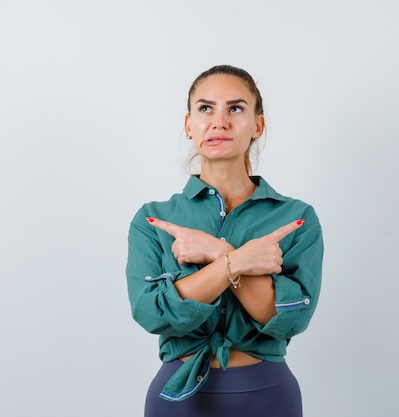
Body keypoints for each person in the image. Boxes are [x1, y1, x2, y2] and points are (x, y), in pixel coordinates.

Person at [126, 64, 324, 417]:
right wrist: (238, 261)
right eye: (205, 109)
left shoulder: (297, 218)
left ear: (258, 125)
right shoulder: (153, 219)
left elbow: (289, 319)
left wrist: (217, 252)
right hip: (178, 397)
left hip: (268, 395)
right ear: (189, 125)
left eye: (235, 108)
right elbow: (152, 314)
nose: (219, 122)